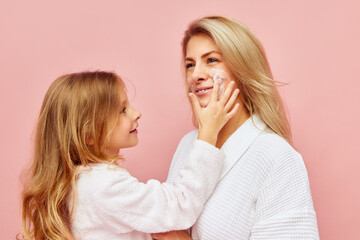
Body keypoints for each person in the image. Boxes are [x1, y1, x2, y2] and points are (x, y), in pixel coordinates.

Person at [20, 71, 240, 240]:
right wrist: (208, 135)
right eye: (122, 110)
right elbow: (180, 206)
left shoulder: (82, 181)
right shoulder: (103, 185)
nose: (136, 113)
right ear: (88, 133)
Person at [154, 16, 319, 239]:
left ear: (242, 68)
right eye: (190, 65)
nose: (196, 75)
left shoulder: (277, 157)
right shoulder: (188, 144)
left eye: (211, 60)